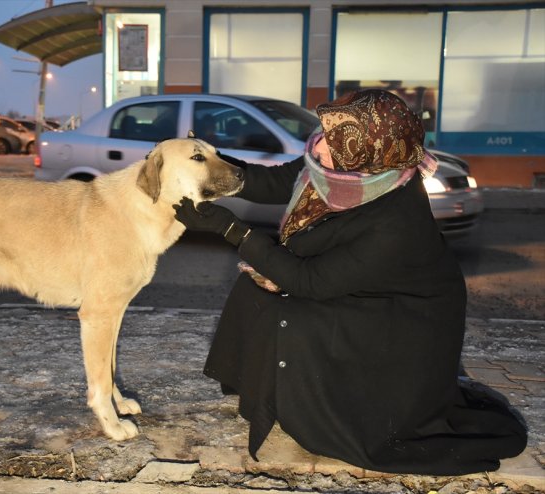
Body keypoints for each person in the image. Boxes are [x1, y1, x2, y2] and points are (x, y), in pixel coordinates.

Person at [173, 89, 527, 475]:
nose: (319, 145)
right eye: (325, 132)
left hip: (403, 318)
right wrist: (208, 163)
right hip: (358, 286)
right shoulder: (335, 166)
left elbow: (309, 282)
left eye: (335, 140)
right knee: (256, 291)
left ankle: (315, 411)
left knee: (298, 321)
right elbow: (275, 183)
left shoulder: (395, 219)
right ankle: (262, 392)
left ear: (369, 154)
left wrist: (232, 230)